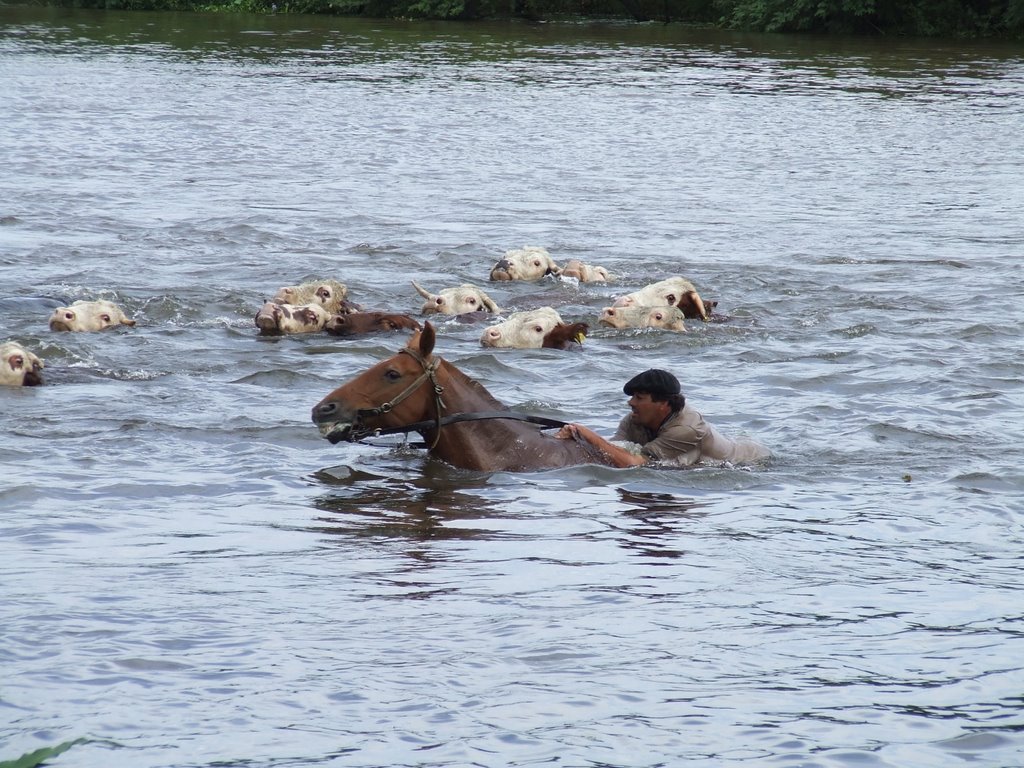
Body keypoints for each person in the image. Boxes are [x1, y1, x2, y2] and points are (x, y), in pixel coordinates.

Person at [556, 368, 770, 468]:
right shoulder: (633, 420)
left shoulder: (687, 429)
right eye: (632, 397)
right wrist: (575, 436)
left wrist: (588, 433)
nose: (631, 403)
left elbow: (633, 463)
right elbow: (615, 449)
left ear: (664, 404)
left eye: (639, 398)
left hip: (750, 460)